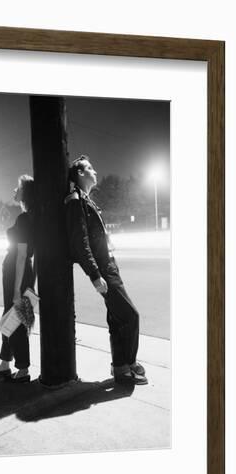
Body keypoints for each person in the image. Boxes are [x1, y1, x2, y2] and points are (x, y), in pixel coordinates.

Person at [64, 155, 148, 385]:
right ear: (80, 173)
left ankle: (120, 369)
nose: (95, 171)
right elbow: (79, 243)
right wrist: (95, 274)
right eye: (90, 168)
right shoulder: (75, 201)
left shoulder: (86, 200)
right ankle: (130, 362)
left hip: (108, 264)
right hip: (103, 268)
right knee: (131, 315)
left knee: (117, 319)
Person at [0, 175, 36, 383]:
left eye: (17, 188)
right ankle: (5, 363)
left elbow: (23, 254)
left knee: (16, 320)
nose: (14, 191)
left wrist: (17, 290)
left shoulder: (25, 219)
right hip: (19, 271)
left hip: (18, 272)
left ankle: (22, 369)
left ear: (26, 193)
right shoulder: (28, 216)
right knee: (10, 317)